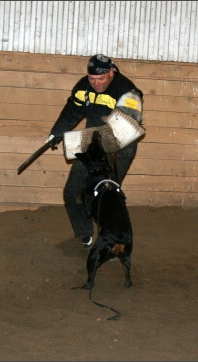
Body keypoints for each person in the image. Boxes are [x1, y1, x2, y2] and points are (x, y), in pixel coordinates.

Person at [48, 54, 144, 248]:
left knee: (107, 196)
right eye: (92, 79)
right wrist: (56, 132)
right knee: (72, 192)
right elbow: (72, 109)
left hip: (121, 147)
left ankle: (113, 240)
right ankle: (84, 233)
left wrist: (78, 143)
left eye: (101, 79)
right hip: (93, 144)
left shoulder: (128, 92)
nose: (96, 83)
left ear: (111, 72)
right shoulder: (84, 86)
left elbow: (122, 130)